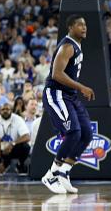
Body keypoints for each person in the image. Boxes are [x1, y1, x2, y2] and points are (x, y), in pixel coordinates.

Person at [41, 15, 95, 194]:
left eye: (85, 24)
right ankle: (51, 174)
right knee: (73, 131)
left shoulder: (77, 46)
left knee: (86, 133)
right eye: (80, 24)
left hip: (69, 96)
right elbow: (57, 74)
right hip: (56, 94)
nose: (84, 27)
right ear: (70, 28)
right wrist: (82, 87)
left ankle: (64, 172)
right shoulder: (67, 46)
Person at [0, 103, 31, 175]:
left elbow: (27, 136)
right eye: (3, 109)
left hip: (14, 147)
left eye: (7, 109)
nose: (5, 111)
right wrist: (0, 162)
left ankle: (20, 164)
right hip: (0, 148)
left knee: (26, 147)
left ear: (11, 110)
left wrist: (12, 144)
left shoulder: (18, 119)